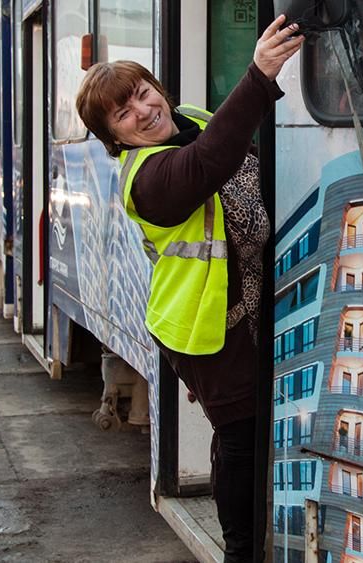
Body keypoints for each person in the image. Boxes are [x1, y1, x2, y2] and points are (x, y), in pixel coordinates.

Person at [75, 15, 303, 563]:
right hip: (205, 329)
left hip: (247, 307)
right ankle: (242, 552)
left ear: (158, 88)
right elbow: (210, 162)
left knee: (246, 432)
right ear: (115, 139)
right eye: (123, 115)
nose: (143, 112)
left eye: (142, 94)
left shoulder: (193, 118)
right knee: (242, 437)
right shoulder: (148, 180)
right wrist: (259, 74)